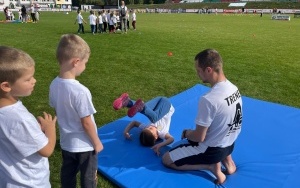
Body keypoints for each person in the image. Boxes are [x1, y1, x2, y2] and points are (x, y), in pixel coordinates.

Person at [162, 49, 243, 184]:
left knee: (166, 159)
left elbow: (200, 137)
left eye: (199, 70)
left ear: (209, 70)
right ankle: (229, 164)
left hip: (213, 151)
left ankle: (210, 166)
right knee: (222, 124)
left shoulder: (209, 99)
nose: (197, 73)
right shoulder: (234, 88)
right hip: (230, 144)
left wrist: (186, 133)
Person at [49, 34, 104, 188]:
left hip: (67, 143)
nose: (85, 66)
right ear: (76, 62)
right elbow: (86, 122)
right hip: (85, 145)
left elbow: (57, 107)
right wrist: (96, 142)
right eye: (85, 63)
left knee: (68, 174)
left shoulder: (53, 84)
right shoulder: (80, 91)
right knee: (88, 178)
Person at [0, 46, 57, 187]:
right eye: (28, 79)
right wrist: (50, 128)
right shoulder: (20, 119)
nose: (34, 81)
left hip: (9, 180)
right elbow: (47, 150)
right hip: (30, 182)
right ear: (6, 86)